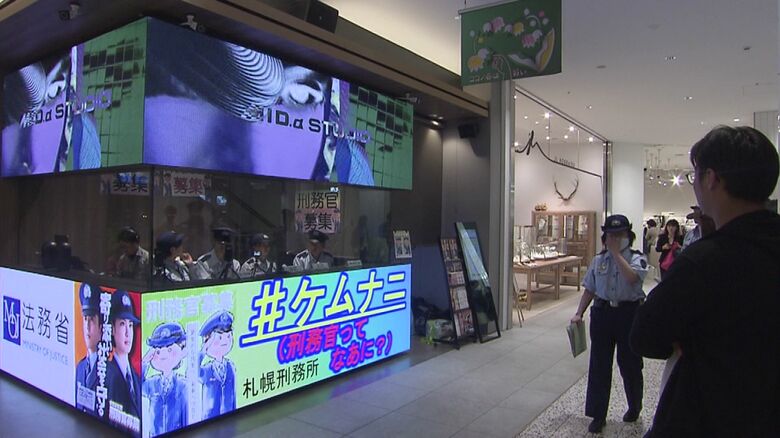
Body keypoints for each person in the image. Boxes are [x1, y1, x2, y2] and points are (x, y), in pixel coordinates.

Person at [631, 126, 780, 437]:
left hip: (709, 414)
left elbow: (645, 335)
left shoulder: (703, 261)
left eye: (694, 175)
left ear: (712, 178)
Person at [570, 214, 648, 433]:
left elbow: (632, 278)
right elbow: (590, 288)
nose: (614, 239)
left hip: (628, 314)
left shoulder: (636, 258)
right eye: (611, 235)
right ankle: (598, 414)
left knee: (630, 363)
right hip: (602, 313)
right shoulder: (599, 260)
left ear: (628, 235)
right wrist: (579, 312)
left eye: (619, 234)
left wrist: (616, 254)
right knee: (599, 364)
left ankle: (634, 406)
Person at [142, 322, 188, 436]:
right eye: (158, 351)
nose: (163, 355)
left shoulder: (183, 385)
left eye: (169, 349)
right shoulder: (151, 384)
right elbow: (136, 386)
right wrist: (144, 362)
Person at [106, 290, 141, 421]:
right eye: (122, 324)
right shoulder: (106, 374)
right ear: (112, 329)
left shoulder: (136, 378)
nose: (128, 332)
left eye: (130, 325)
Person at [199, 310, 236, 420]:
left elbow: (233, 395)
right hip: (209, 419)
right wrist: (203, 350)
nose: (225, 341)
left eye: (228, 336)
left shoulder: (231, 366)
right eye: (219, 338)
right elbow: (192, 372)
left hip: (231, 416)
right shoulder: (207, 370)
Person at [75, 284, 101, 414]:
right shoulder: (80, 368)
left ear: (101, 327)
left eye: (91, 320)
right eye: (85, 319)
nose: (87, 327)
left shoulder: (110, 372)